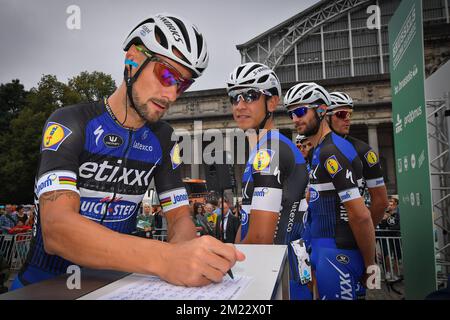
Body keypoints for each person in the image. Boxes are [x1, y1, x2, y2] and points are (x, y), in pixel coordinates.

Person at [11, 13, 244, 290]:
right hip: (46, 286)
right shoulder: (71, 122)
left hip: (116, 287)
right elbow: (57, 230)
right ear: (133, 58)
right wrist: (165, 258)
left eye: (182, 84)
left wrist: (188, 254)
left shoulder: (163, 138)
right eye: (166, 74)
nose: (171, 94)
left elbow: (179, 217)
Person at [284, 82, 376, 300]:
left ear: (322, 110)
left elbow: (361, 215)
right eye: (291, 114)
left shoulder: (330, 151)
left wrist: (371, 264)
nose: (295, 119)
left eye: (300, 111)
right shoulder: (319, 151)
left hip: (336, 253)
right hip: (321, 249)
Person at [226, 62, 310, 299]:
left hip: (278, 274)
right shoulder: (263, 149)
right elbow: (247, 220)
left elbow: (261, 237)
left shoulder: (270, 150)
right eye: (234, 97)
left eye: (250, 96)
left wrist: (230, 263)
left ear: (272, 102)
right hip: (278, 268)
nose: (240, 105)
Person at [327, 92, 389, 227]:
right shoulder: (312, 149)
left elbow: (381, 201)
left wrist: (365, 232)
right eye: (342, 114)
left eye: (350, 114)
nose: (348, 119)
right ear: (325, 117)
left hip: (348, 234)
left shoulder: (363, 151)